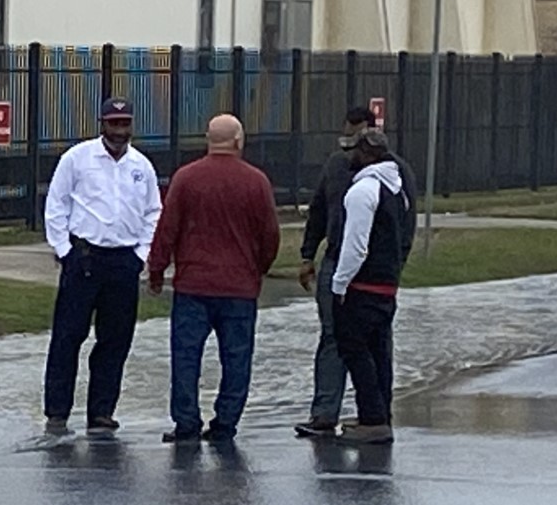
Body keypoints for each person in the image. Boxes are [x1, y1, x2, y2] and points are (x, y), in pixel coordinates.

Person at [145, 114, 281, 443]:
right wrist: (257, 268)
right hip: (239, 287)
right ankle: (225, 423)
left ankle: (187, 422)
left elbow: (168, 228)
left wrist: (157, 269)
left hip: (193, 283)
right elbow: (270, 235)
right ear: (238, 141)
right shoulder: (256, 181)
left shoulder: (186, 178)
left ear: (208, 140)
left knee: (186, 356)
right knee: (236, 357)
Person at [41, 96, 162, 437]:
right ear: (102, 124)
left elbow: (154, 212)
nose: (119, 131)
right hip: (84, 258)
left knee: (115, 340)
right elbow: (57, 204)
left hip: (123, 261)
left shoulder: (141, 166)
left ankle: (102, 411)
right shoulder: (77, 159)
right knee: (68, 336)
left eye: (124, 124)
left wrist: (142, 253)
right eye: (113, 123)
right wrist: (64, 250)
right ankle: (57, 410)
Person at [295, 105, 418, 436]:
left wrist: (390, 265)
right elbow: (320, 210)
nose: (349, 145)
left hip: (363, 270)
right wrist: (309, 254)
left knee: (368, 343)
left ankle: (376, 414)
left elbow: (402, 225)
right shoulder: (337, 165)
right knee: (336, 338)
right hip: (340, 259)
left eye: (356, 137)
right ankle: (327, 413)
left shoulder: (392, 176)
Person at [328, 128, 412, 444]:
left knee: (353, 349)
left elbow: (356, 245)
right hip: (387, 285)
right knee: (377, 351)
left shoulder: (363, 190)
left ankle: (373, 419)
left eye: (355, 151)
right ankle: (377, 413)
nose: (351, 157)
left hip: (361, 286)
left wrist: (340, 284)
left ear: (366, 154)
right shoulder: (396, 189)